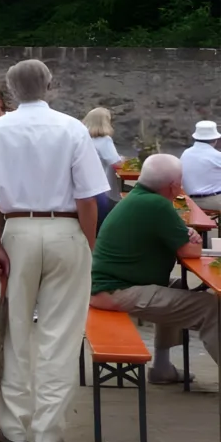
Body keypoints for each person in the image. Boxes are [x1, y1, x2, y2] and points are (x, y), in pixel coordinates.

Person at [0, 59, 106, 442]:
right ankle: (47, 431)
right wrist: (88, 245)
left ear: (11, 91)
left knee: (14, 331)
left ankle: (13, 427)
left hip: (18, 230)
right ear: (49, 85)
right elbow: (88, 199)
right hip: (66, 230)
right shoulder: (73, 128)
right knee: (61, 335)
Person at [91, 153, 218, 384]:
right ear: (174, 185)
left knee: (178, 288)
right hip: (115, 290)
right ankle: (162, 367)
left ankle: (161, 367)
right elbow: (190, 252)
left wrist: (185, 234)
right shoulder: (157, 205)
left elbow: (177, 236)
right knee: (210, 308)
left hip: (106, 286)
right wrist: (192, 239)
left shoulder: (137, 198)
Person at [83, 106, 124, 214]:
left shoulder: (82, 139)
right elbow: (116, 163)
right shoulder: (104, 140)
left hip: (83, 188)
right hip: (102, 191)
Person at [180, 120, 221, 212]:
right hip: (212, 200)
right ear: (215, 139)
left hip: (188, 200)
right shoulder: (216, 156)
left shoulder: (186, 153)